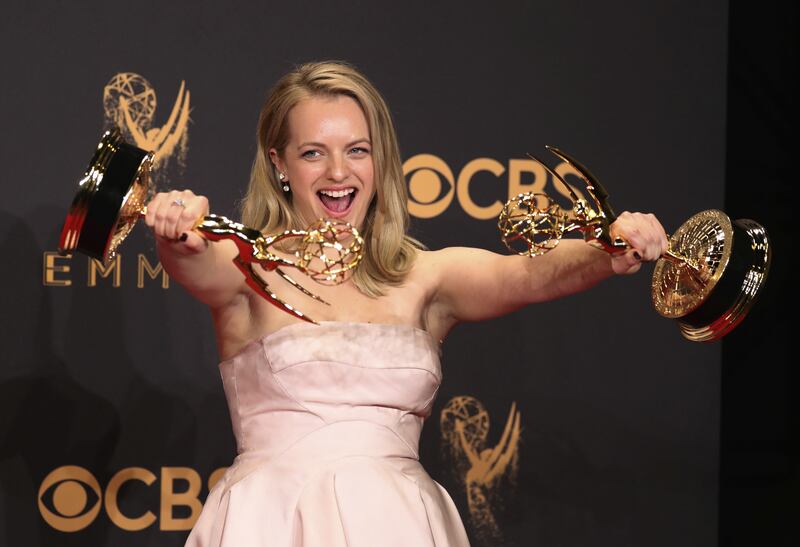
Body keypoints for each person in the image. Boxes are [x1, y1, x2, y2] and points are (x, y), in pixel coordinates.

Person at [144, 61, 668, 547]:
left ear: (379, 160)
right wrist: (175, 233)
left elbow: (528, 273)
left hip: (399, 523)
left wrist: (609, 248)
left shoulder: (424, 277)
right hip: (272, 523)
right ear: (279, 163)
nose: (337, 173)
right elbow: (196, 260)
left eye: (357, 150)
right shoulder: (248, 268)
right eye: (312, 153)